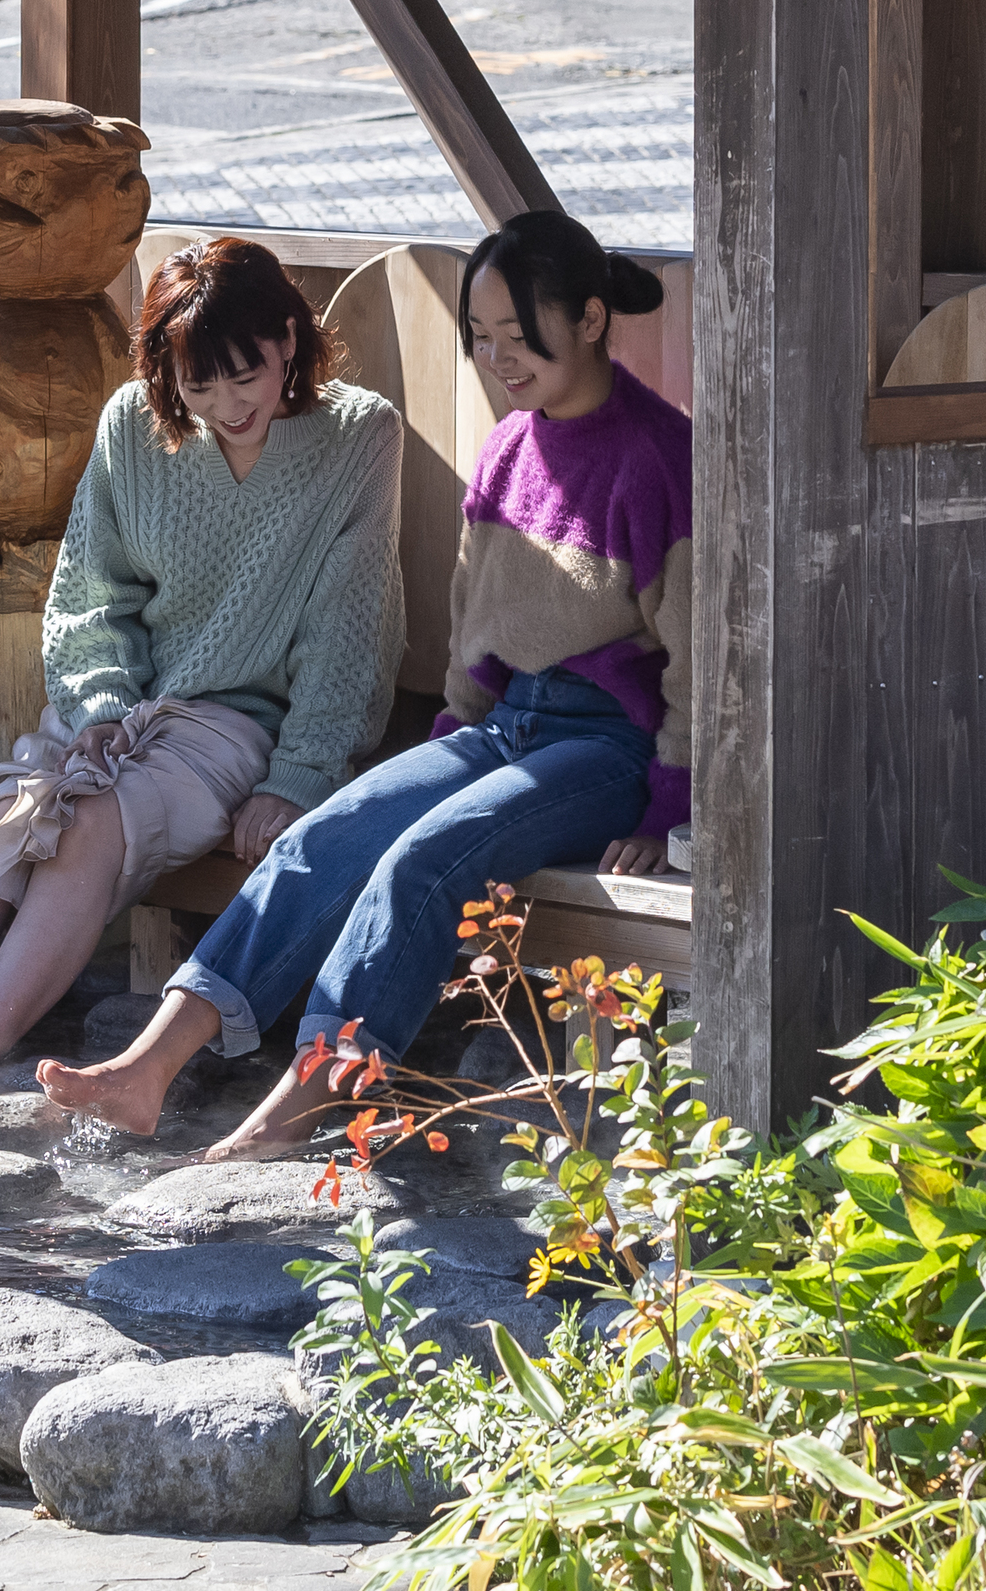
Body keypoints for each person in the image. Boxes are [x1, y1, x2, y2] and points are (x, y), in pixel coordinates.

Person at [38, 210, 689, 1158]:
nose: (501, 359)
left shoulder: (658, 456)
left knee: (424, 864)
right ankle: (144, 1070)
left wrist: (663, 810)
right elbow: (475, 628)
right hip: (505, 728)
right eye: (482, 337)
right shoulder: (510, 448)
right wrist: (445, 755)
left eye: (520, 334)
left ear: (590, 319)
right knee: (325, 834)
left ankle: (305, 1102)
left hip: (606, 745)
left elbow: (704, 663)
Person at [0, 237, 401, 1092]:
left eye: (246, 374)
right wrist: (100, 707)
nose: (227, 404)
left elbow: (349, 629)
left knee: (86, 828)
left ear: (288, 342)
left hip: (241, 724)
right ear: (165, 373)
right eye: (199, 383)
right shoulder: (130, 427)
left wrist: (296, 776)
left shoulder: (358, 435)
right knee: (16, 818)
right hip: (122, 709)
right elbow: (86, 591)